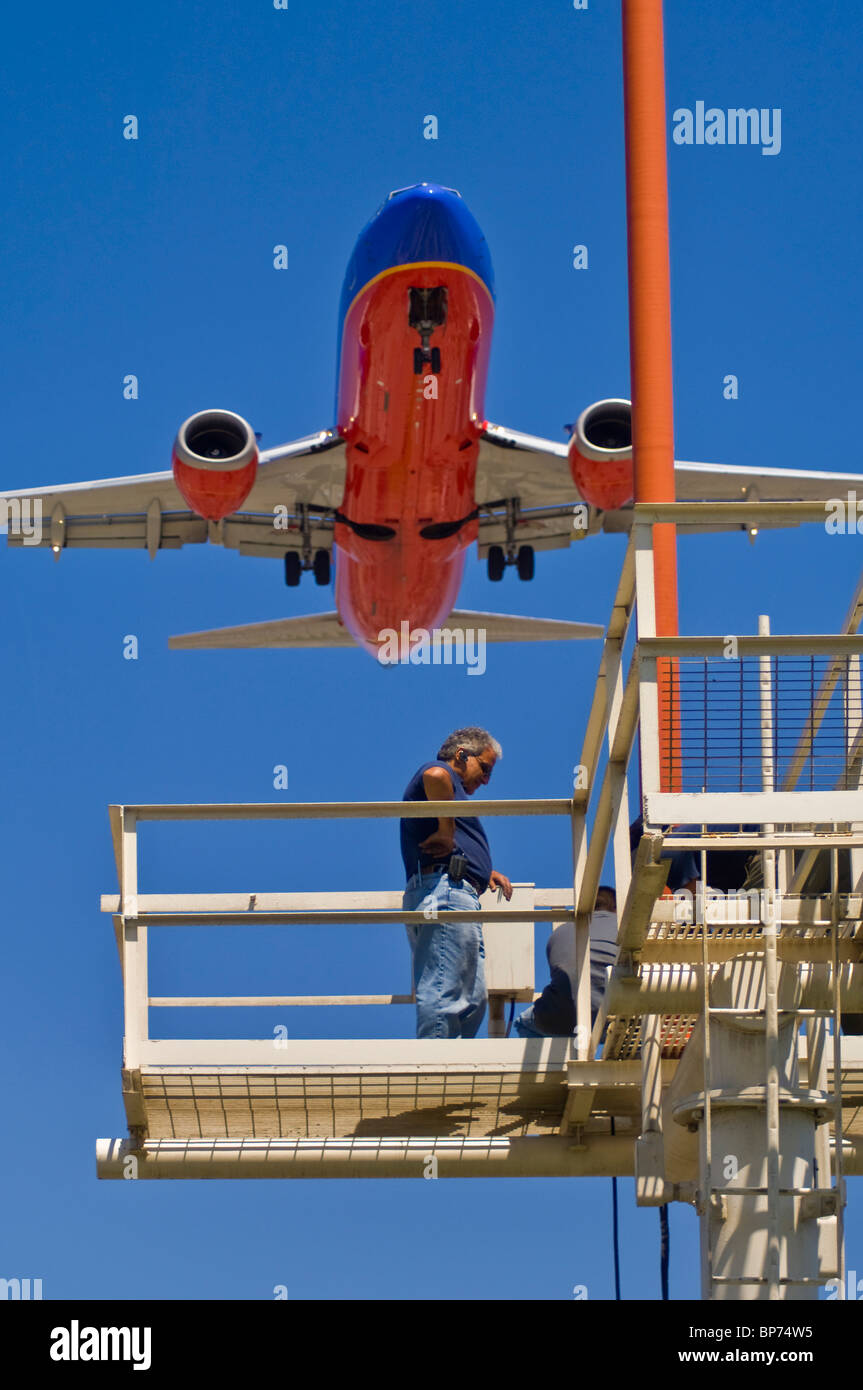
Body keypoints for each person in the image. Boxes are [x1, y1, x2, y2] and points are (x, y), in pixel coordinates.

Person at [401, 727, 513, 1038]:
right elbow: (435, 775)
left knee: (473, 1001)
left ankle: (452, 1068)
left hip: (454, 889)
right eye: (485, 768)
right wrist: (448, 831)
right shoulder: (442, 775)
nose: (486, 780)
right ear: (462, 756)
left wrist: (480, 870)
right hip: (444, 890)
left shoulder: (455, 792)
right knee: (445, 994)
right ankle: (434, 1074)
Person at [514, 886, 618, 1038]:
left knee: (523, 1023)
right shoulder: (625, 928)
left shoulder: (561, 931)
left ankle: (561, 1061)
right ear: (616, 908)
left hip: (563, 1018)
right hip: (617, 1017)